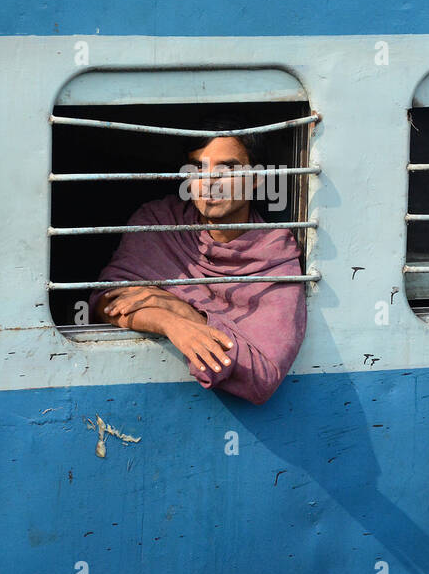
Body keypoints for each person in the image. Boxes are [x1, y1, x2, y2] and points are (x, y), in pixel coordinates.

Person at [89, 123, 306, 405]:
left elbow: (262, 377)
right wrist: (168, 322)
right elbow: (108, 303)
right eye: (197, 169)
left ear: (256, 178)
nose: (209, 181)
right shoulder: (159, 223)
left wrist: (183, 311)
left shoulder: (274, 252)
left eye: (227, 169)